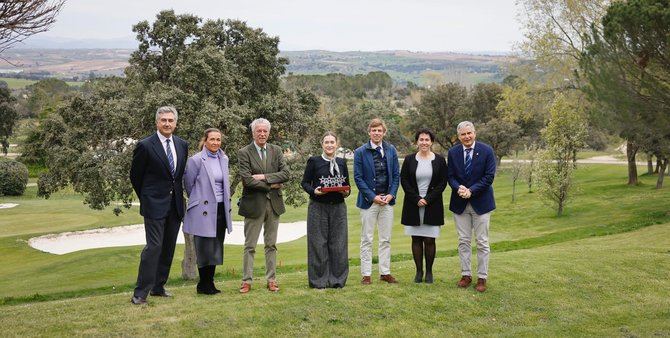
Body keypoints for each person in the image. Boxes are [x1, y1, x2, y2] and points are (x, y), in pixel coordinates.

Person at [129, 106, 188, 305]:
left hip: (175, 205)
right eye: (163, 120)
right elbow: (135, 177)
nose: (167, 123)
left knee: (168, 247)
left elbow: (177, 177)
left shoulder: (182, 144)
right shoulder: (145, 145)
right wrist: (147, 198)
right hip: (154, 204)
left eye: (171, 120)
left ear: (176, 123)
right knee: (154, 247)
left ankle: (158, 287)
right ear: (157, 122)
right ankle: (140, 293)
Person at [237, 118, 289, 293]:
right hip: (253, 205)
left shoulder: (277, 150)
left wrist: (263, 177)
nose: (262, 134)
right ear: (253, 133)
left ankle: (271, 279)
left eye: (265, 131)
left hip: (273, 204)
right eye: (258, 131)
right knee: (250, 245)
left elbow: (286, 174)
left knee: (271, 245)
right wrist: (272, 184)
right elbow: (247, 180)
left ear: (268, 132)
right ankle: (246, 281)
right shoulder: (244, 152)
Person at [447, 121, 496, 292]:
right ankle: (466, 275)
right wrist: (458, 187)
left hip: (481, 203)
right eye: (463, 134)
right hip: (460, 204)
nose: (467, 137)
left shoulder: (487, 151)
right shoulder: (452, 152)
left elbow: (489, 176)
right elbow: (450, 176)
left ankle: (482, 278)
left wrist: (471, 191)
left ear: (474, 133)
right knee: (463, 241)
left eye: (469, 133)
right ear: (458, 136)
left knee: (482, 242)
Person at [183, 128, 233, 295]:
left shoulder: (224, 158)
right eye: (212, 139)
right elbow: (189, 185)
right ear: (205, 141)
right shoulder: (196, 160)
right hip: (203, 209)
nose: (215, 143)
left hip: (220, 209)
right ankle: (202, 285)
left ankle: (210, 283)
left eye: (218, 139)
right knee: (204, 248)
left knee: (216, 247)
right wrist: (199, 198)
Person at [353, 118, 400, 285]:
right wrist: (373, 197)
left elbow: (395, 176)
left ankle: (385, 272)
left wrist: (391, 195)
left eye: (379, 130)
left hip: (387, 201)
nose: (377, 133)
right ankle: (366, 274)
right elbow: (358, 178)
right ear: (369, 132)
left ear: (384, 132)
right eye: (374, 130)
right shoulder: (360, 152)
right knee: (367, 239)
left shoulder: (391, 150)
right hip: (369, 202)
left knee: (385, 239)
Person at [301, 131, 351, 289]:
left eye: (332, 142)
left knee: (339, 244)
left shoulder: (342, 163)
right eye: (326, 142)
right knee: (318, 244)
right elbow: (304, 183)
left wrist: (346, 192)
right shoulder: (314, 161)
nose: (329, 145)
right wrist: (313, 191)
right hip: (318, 207)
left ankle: (337, 280)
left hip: (338, 208)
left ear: (337, 144)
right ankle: (319, 281)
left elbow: (347, 185)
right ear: (322, 144)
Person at [400, 128, 448, 284]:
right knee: (416, 239)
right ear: (417, 142)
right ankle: (418, 272)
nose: (424, 142)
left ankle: (429, 272)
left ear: (431, 142)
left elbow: (442, 183)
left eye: (427, 140)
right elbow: (404, 181)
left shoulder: (440, 160)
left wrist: (427, 199)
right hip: (413, 204)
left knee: (429, 240)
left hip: (432, 205)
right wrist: (416, 199)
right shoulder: (409, 160)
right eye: (421, 139)